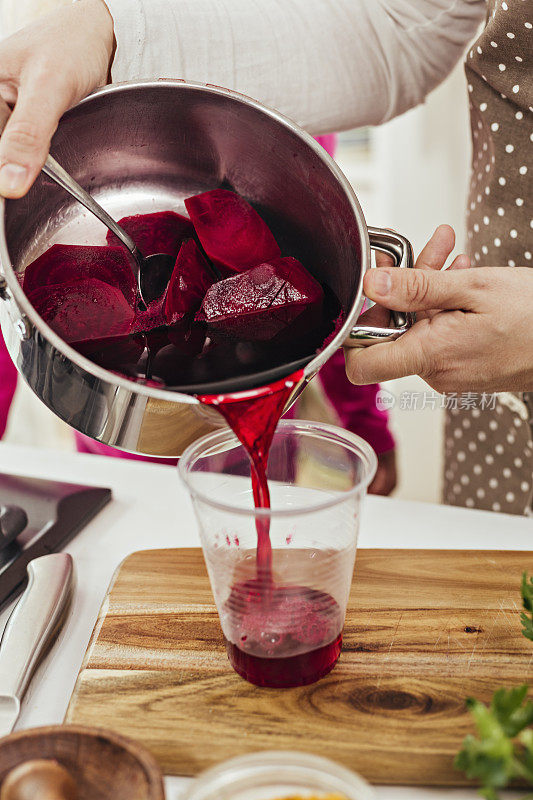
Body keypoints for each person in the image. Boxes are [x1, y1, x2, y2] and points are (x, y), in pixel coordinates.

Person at [0, 0, 530, 512]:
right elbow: (411, 26)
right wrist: (109, 30)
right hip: (126, 466)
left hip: (267, 437)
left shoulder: (282, 154)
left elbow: (330, 297)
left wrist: (366, 423)